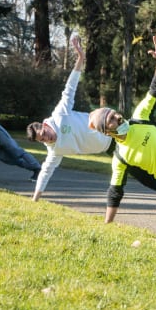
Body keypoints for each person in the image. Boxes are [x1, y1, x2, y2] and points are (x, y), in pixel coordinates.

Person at [88, 32, 156, 222]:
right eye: (111, 119)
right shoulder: (120, 157)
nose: (118, 117)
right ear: (107, 132)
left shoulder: (140, 117)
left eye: (114, 113)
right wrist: (107, 223)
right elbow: (115, 191)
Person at [26, 36, 114, 201]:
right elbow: (45, 172)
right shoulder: (54, 150)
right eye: (43, 139)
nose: (48, 137)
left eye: (45, 132)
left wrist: (80, 58)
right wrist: (35, 199)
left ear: (44, 124)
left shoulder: (60, 114)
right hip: (109, 148)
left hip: (112, 127)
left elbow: (70, 87)